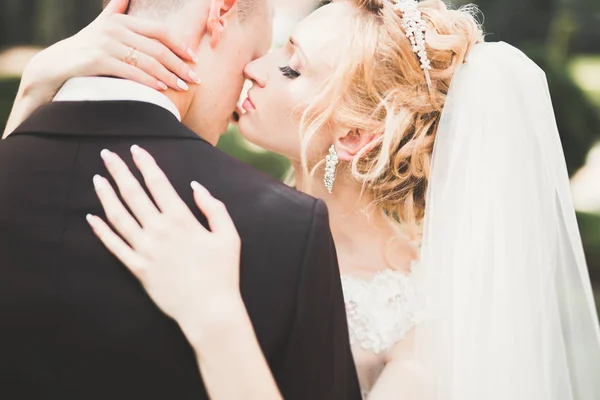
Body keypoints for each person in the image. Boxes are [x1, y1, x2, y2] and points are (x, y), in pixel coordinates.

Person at [6, 0, 600, 399]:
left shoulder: (419, 329)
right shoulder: (217, 202)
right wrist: (37, 87)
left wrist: (216, 318)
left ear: (355, 135)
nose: (254, 68)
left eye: (292, 70)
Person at [0, 0, 361, 399]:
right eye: (255, 54)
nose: (252, 74)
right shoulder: (288, 228)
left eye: (289, 67)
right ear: (219, 14)